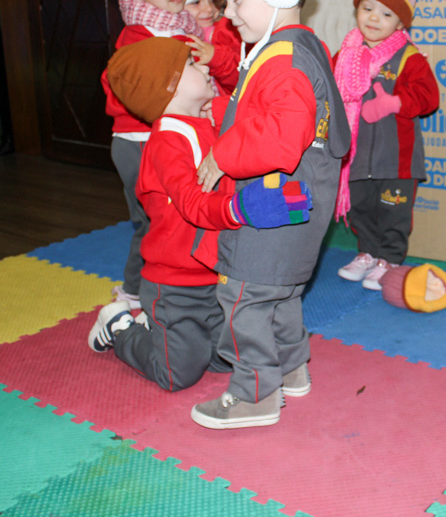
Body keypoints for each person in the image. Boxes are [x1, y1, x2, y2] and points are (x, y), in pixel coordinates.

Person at [190, 0, 350, 429]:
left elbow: (280, 139)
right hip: (298, 206)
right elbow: (271, 113)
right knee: (279, 293)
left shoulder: (282, 61)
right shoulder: (300, 45)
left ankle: (255, 393)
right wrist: (225, 111)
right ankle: (291, 369)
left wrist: (222, 154)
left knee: (242, 297)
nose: (229, 12)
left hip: (272, 209)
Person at [88, 37, 312, 393]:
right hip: (176, 282)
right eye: (192, 65)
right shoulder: (166, 140)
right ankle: (120, 327)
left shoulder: (206, 122)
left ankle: (158, 328)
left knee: (225, 359)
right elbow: (193, 204)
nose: (205, 66)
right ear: (169, 86)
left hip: (217, 274)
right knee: (177, 374)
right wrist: (241, 208)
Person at [101, 0, 203, 312]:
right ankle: (132, 290)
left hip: (169, 137)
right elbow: (122, 90)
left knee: (177, 217)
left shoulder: (182, 26)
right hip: (138, 142)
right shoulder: (138, 37)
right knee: (151, 222)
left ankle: (178, 283)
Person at [333, 0, 439, 291]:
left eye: (386, 13)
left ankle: (390, 259)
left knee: (393, 211)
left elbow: (429, 97)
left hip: (397, 160)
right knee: (362, 209)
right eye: (367, 8)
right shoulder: (345, 54)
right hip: (357, 155)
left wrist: (394, 102)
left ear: (401, 22)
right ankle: (367, 253)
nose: (374, 18)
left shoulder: (409, 57)